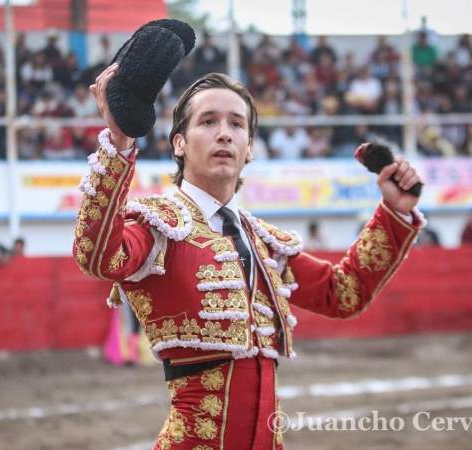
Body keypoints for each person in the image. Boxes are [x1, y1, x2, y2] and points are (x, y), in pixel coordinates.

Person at [75, 68, 425, 449]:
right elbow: (97, 257)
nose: (224, 132)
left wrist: (395, 212)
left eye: (237, 124)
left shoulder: (263, 242)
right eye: (208, 121)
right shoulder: (159, 225)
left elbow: (344, 293)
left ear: (250, 147)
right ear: (179, 143)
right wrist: (119, 144)